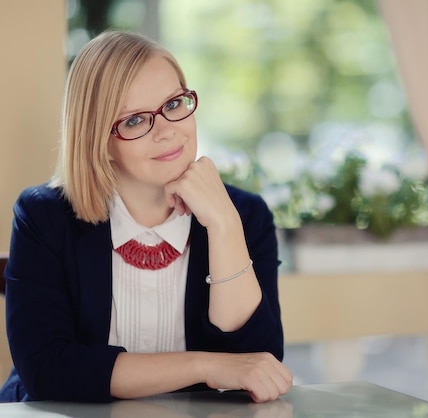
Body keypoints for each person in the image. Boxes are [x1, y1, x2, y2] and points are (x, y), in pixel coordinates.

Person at [0, 30, 292, 403]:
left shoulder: (245, 216)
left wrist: (224, 226)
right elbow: (49, 370)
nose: (168, 131)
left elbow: (259, 364)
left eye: (173, 104)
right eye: (135, 120)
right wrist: (205, 366)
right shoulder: (44, 216)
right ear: (99, 141)